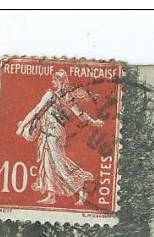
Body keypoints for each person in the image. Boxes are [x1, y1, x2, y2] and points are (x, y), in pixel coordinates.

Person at [16, 70, 104, 206]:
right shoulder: (67, 96)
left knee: (58, 164)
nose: (53, 82)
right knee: (48, 164)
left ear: (60, 81)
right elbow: (80, 114)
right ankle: (51, 195)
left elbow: (36, 110)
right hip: (55, 133)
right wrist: (94, 122)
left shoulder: (50, 94)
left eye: (55, 80)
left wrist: (22, 127)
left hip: (51, 132)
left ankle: (81, 191)